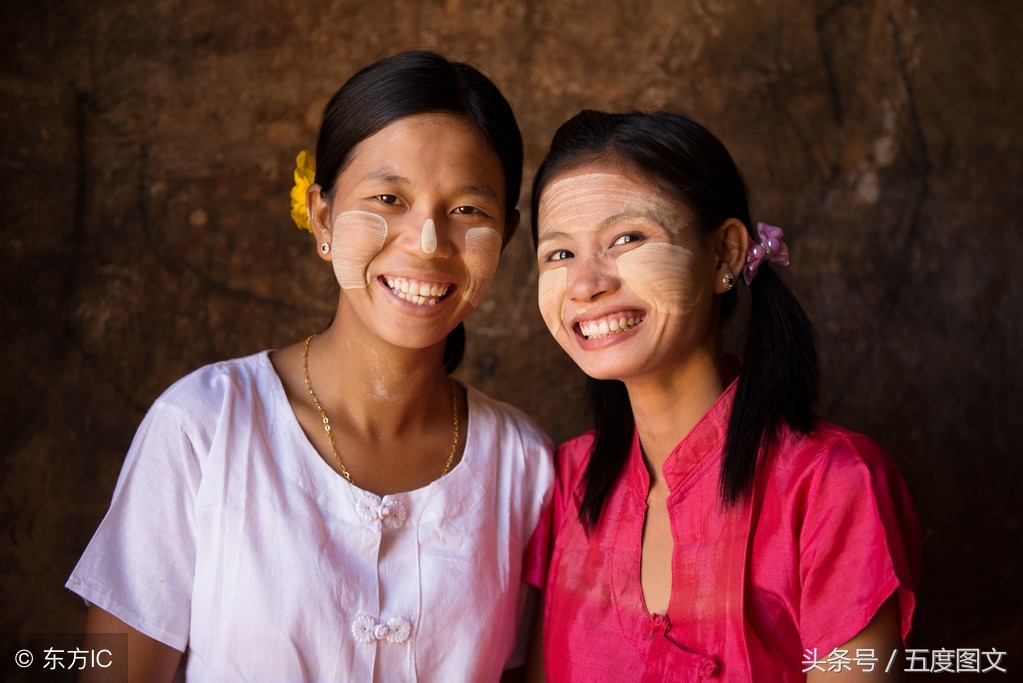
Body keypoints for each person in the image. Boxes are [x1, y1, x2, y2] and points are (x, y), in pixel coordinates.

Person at [67, 49, 554, 682]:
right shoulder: (204, 427)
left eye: (468, 211)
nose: (428, 243)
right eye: (388, 197)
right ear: (322, 216)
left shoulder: (525, 467)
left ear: (508, 236)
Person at [529, 110, 921, 681]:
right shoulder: (565, 484)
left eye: (627, 238)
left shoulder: (833, 485)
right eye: (559, 254)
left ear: (725, 256)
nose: (586, 284)